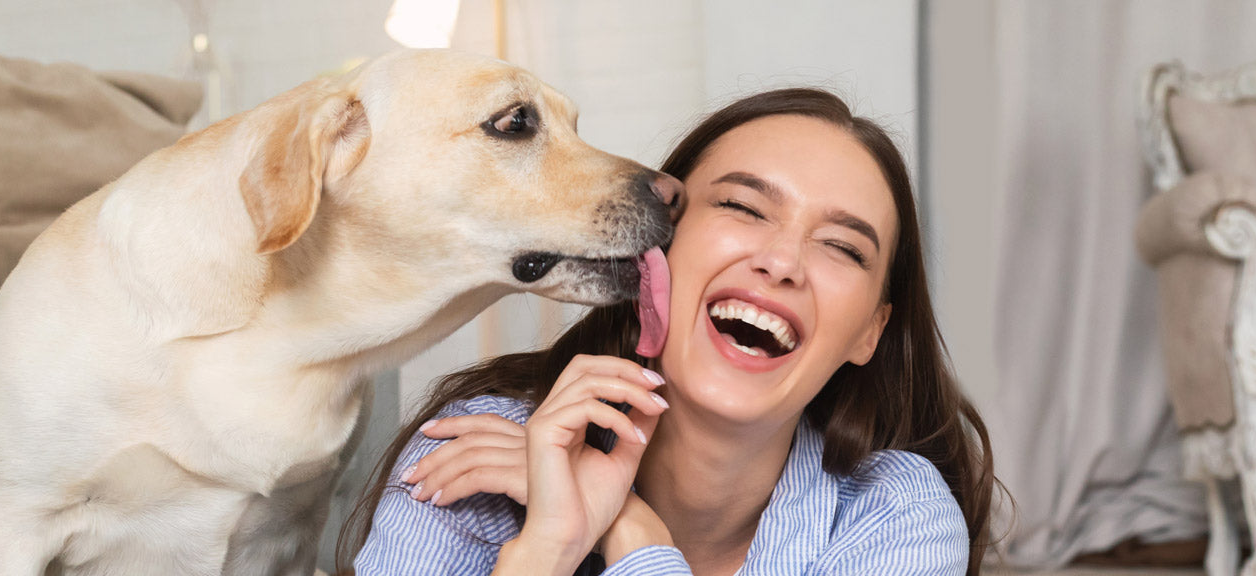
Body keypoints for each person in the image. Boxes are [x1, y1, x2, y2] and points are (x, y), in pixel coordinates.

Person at [339, 87, 998, 575]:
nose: (782, 262)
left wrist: (631, 533)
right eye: (742, 206)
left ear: (869, 334)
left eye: (842, 248)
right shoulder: (475, 452)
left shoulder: (895, 515)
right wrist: (547, 549)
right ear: (653, 254)